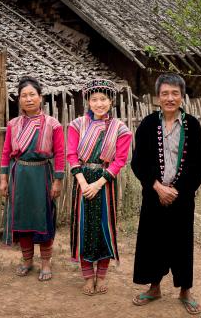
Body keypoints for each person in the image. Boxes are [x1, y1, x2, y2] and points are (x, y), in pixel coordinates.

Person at [131, 74, 201, 314]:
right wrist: (157, 187)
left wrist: (177, 190)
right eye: (165, 93)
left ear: (182, 96)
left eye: (175, 93)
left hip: (182, 198)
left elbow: (199, 166)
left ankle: (185, 290)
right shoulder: (148, 124)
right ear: (157, 98)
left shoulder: (192, 125)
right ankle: (154, 288)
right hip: (154, 196)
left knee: (181, 242)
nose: (170, 98)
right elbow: (138, 162)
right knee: (153, 241)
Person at [67, 79, 133, 296]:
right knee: (84, 227)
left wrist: (98, 184)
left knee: (104, 227)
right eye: (94, 99)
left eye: (103, 99)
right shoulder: (77, 125)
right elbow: (71, 155)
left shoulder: (120, 129)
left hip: (105, 183)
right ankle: (87, 276)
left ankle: (102, 275)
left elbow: (119, 160)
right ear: (88, 101)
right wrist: (85, 183)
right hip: (82, 180)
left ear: (111, 101)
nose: (99, 103)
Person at [0, 76, 65, 281]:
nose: (28, 99)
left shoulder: (53, 125)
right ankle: (27, 261)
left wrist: (57, 180)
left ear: (40, 97)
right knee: (22, 220)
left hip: (42, 176)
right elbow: (5, 153)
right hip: (19, 176)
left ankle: (46, 263)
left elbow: (61, 154)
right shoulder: (13, 124)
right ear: (19, 100)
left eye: (32, 95)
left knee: (43, 220)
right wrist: (3, 179)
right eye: (23, 96)